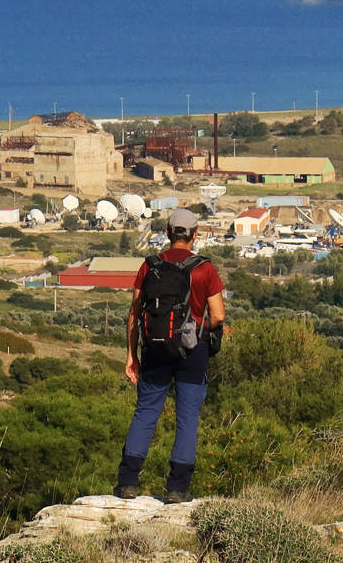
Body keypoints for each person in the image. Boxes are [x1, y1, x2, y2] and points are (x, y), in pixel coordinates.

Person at [115, 207, 226, 502]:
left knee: (146, 412)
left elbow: (134, 314)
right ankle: (177, 489)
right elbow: (218, 315)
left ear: (167, 234)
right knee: (187, 417)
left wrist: (131, 355)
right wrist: (194, 327)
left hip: (154, 348)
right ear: (195, 235)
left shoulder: (149, 265)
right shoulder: (205, 268)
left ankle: (127, 483)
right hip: (193, 352)